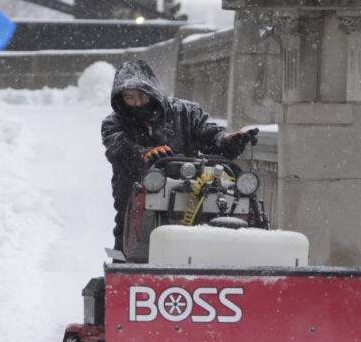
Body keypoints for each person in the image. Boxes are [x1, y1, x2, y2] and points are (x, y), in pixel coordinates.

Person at [101, 60, 258, 251]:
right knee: (130, 249)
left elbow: (210, 137)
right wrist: (143, 155)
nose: (137, 102)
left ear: (153, 91)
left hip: (190, 197)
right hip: (134, 203)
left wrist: (228, 141)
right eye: (130, 97)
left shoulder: (187, 113)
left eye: (142, 95)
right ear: (121, 99)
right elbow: (118, 148)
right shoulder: (113, 123)